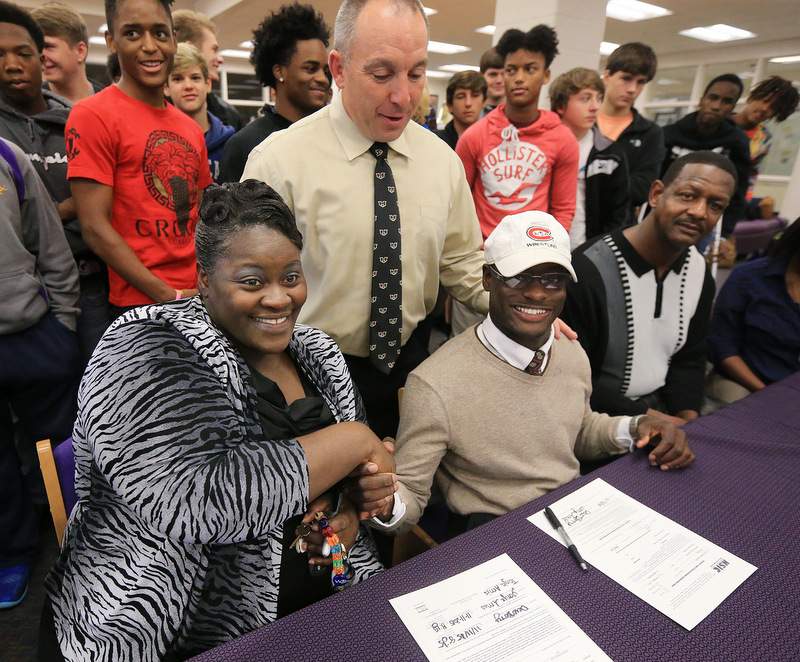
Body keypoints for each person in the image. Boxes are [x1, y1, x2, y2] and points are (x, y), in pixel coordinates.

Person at [42, 181, 392, 661]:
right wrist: (355, 440)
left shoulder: (318, 355)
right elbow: (200, 500)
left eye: (291, 276)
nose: (278, 299)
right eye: (252, 281)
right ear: (204, 278)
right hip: (175, 624)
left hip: (320, 599)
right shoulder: (142, 349)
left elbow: (354, 486)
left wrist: (348, 516)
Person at [352, 212, 694, 536]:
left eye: (552, 280)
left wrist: (636, 428)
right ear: (487, 278)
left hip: (574, 514)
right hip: (494, 532)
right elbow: (410, 495)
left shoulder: (571, 350)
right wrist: (385, 503)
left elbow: (578, 430)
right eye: (518, 277)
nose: (536, 292)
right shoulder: (434, 384)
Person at [241, 0, 492, 438]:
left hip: (411, 369)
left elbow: (462, 264)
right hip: (307, 377)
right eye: (382, 75)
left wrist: (520, 301)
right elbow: (248, 292)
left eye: (416, 73)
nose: (403, 96)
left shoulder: (442, 163)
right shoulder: (278, 162)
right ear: (338, 69)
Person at [563, 151, 737, 420]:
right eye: (688, 195)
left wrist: (688, 422)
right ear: (656, 194)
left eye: (715, 206)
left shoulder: (699, 272)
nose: (699, 212)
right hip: (593, 421)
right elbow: (572, 379)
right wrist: (654, 420)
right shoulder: (588, 269)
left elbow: (689, 360)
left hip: (662, 416)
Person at [66, 0, 212, 318]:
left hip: (200, 297)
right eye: (132, 33)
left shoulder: (189, 128)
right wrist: (167, 294)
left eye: (160, 33)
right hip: (140, 305)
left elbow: (202, 216)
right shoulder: (92, 114)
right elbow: (94, 226)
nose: (149, 46)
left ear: (173, 39)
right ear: (111, 41)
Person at [0, 0, 109, 359]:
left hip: (95, 284)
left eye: (24, 53)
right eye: (1, 54)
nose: (13, 64)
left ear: (39, 59)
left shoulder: (80, 120)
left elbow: (108, 194)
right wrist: (69, 206)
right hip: (28, 301)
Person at [0, 138, 80, 610]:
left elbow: (50, 242)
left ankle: (84, 546)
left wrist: (63, 324)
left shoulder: (8, 157)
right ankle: (11, 554)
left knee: (60, 452)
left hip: (33, 333)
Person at [456, 25, 579, 239]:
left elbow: (563, 209)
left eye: (530, 69)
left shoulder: (562, 139)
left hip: (535, 252)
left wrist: (550, 250)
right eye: (511, 70)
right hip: (482, 254)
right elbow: (457, 203)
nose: (519, 78)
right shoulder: (475, 136)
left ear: (546, 75)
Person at [220, 2, 330, 184]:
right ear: (279, 72)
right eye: (310, 69)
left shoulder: (332, 137)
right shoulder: (246, 145)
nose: (323, 79)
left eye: (325, 71)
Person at [707, 219, 800, 403]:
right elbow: (723, 348)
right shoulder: (749, 277)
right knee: (741, 407)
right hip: (744, 381)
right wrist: (766, 392)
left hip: (793, 388)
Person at [550, 67, 630, 248]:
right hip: (545, 244)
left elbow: (618, 214)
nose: (595, 107)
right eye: (585, 99)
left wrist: (602, 249)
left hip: (589, 247)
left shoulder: (611, 153)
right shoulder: (543, 148)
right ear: (561, 106)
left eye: (599, 98)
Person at [662, 74, 750, 236]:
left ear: (732, 108)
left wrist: (724, 235)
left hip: (706, 222)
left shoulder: (737, 141)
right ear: (702, 100)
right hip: (665, 214)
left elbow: (738, 192)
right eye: (713, 98)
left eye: (726, 101)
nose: (716, 106)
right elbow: (656, 178)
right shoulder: (668, 134)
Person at [597, 42, 664, 211]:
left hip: (617, 226)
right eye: (626, 78)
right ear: (607, 76)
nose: (632, 89)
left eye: (640, 82)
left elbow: (642, 188)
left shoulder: (650, 133)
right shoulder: (583, 121)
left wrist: (589, 184)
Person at [166, 42, 234, 183]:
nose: (188, 86)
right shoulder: (157, 144)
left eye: (195, 78)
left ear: (208, 84)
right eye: (178, 79)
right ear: (166, 88)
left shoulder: (231, 143)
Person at [172, 8, 243, 131]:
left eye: (195, 78)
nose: (220, 59)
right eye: (214, 49)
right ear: (190, 48)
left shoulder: (229, 117)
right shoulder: (149, 115)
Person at [732, 76, 799, 201]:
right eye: (765, 100)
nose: (765, 109)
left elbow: (750, 175)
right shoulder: (719, 122)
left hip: (729, 200)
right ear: (752, 97)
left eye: (773, 108)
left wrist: (741, 205)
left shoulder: (764, 139)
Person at [31, 2, 105, 103]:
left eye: (48, 47)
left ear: (80, 51)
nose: (40, 56)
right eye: (36, 48)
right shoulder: (28, 107)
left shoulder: (110, 104)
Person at [436, 70, 486, 150]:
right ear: (450, 105)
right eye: (461, 97)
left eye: (475, 95)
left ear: (484, 102)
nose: (468, 103)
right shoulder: (436, 142)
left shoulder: (494, 142)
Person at [479, 47, 504, 116]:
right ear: (481, 76)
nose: (499, 80)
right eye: (493, 74)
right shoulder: (471, 116)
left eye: (504, 74)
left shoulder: (520, 116)